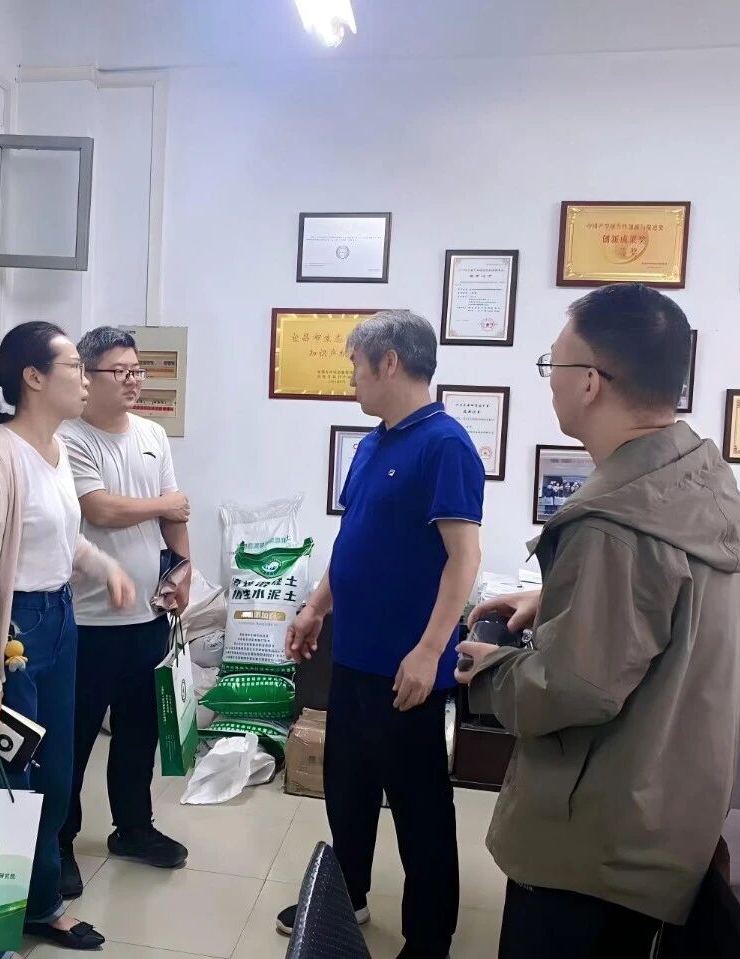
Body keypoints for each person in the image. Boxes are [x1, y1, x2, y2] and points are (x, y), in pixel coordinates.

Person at [456, 283, 740, 959]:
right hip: (664, 820)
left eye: (553, 364)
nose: (550, 381)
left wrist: (490, 670)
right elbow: (666, 601)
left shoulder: (611, 524)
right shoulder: (697, 477)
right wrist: (558, 599)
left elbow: (571, 689)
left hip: (592, 851)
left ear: (589, 382)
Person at [278, 310, 484, 959]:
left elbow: (464, 558)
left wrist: (429, 651)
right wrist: (316, 607)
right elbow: (354, 539)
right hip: (354, 658)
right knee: (349, 790)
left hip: (408, 670)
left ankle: (429, 938)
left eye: (356, 367)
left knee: (420, 809)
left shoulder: (444, 445)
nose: (352, 380)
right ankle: (350, 896)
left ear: (389, 362)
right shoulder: (373, 443)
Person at [0, 321, 137, 958]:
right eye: (74, 368)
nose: (85, 380)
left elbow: (62, 536)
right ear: (33, 377)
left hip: (59, 621)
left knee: (54, 779)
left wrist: (105, 567)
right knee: (2, 782)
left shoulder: (54, 450)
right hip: (11, 633)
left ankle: (39, 905)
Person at [57, 327, 192, 898]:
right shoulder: (69, 437)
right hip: (88, 622)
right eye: (121, 371)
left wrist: (183, 570)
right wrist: (165, 503)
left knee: (140, 733)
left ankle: (133, 828)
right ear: (87, 376)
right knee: (73, 739)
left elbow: (175, 516)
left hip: (147, 617)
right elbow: (100, 510)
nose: (134, 380)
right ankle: (58, 842)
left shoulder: (152, 434)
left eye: (138, 370)